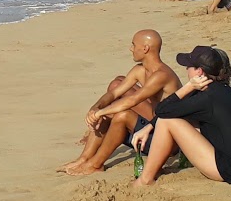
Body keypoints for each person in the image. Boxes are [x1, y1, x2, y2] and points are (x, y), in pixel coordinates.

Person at [58, 29, 181, 175]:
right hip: (153, 126)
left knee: (122, 115)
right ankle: (84, 159)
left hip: (169, 140)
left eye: (134, 45)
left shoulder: (161, 75)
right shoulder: (140, 70)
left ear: (145, 48)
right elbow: (114, 93)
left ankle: (95, 164)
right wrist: (96, 108)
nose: (131, 49)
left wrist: (101, 112)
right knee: (108, 111)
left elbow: (133, 100)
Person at [131, 45, 231, 186]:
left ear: (199, 71)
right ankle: (154, 169)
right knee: (179, 117)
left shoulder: (206, 98)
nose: (186, 69)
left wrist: (188, 87)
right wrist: (148, 128)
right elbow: (173, 110)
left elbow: (161, 110)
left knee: (167, 122)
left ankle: (145, 180)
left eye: (188, 66)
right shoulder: (218, 90)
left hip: (228, 170)